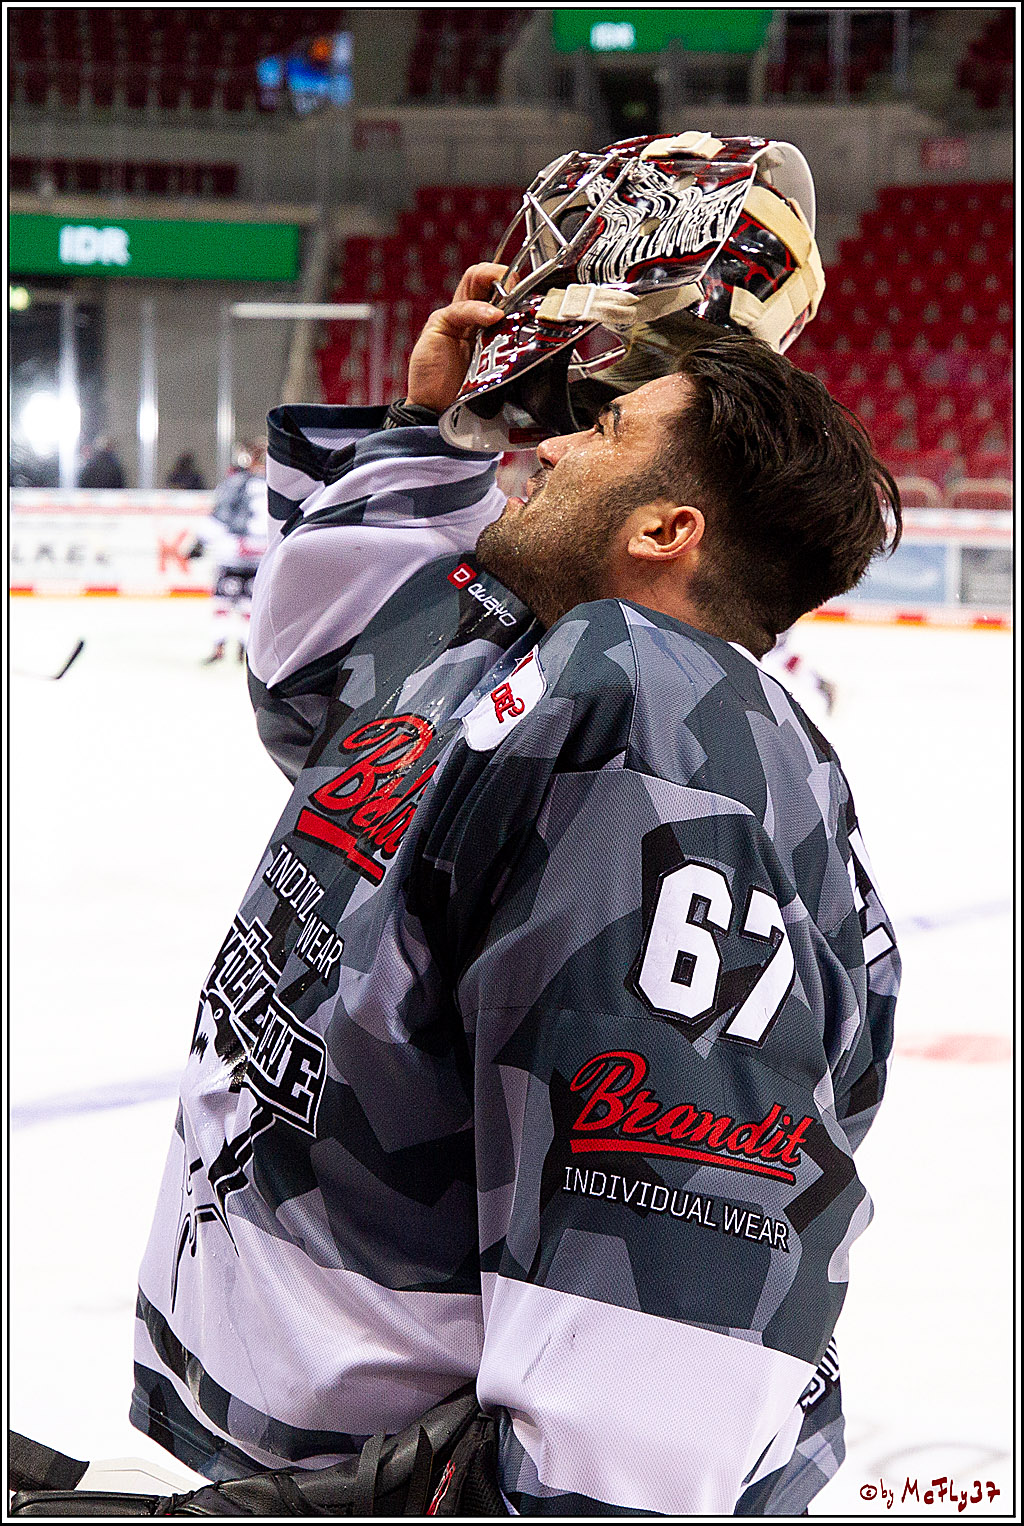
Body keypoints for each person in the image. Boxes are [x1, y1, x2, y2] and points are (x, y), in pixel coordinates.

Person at [129, 252, 901, 1516]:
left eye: (596, 428)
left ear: (667, 529)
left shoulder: (659, 720)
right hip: (321, 1450)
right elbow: (326, 687)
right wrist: (436, 434)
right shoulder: (542, 665)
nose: (539, 449)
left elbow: (672, 1242)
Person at [192, 443, 268, 664]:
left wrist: (199, 543)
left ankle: (219, 647)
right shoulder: (276, 483)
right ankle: (246, 649)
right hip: (262, 552)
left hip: (234, 550)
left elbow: (221, 515)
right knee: (251, 603)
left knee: (223, 601)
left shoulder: (237, 482)